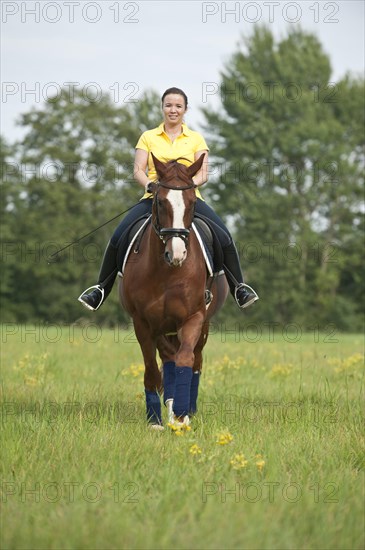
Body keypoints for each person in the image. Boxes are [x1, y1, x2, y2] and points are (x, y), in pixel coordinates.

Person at [78, 87, 258, 311]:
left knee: (223, 236)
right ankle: (100, 289)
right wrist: (149, 185)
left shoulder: (195, 138)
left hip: (188, 199)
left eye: (178, 106)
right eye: (169, 105)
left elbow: (203, 173)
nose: (173, 110)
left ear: (185, 110)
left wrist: (186, 188)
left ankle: (239, 288)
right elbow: (138, 170)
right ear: (162, 107)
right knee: (118, 236)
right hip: (154, 197)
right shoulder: (148, 137)